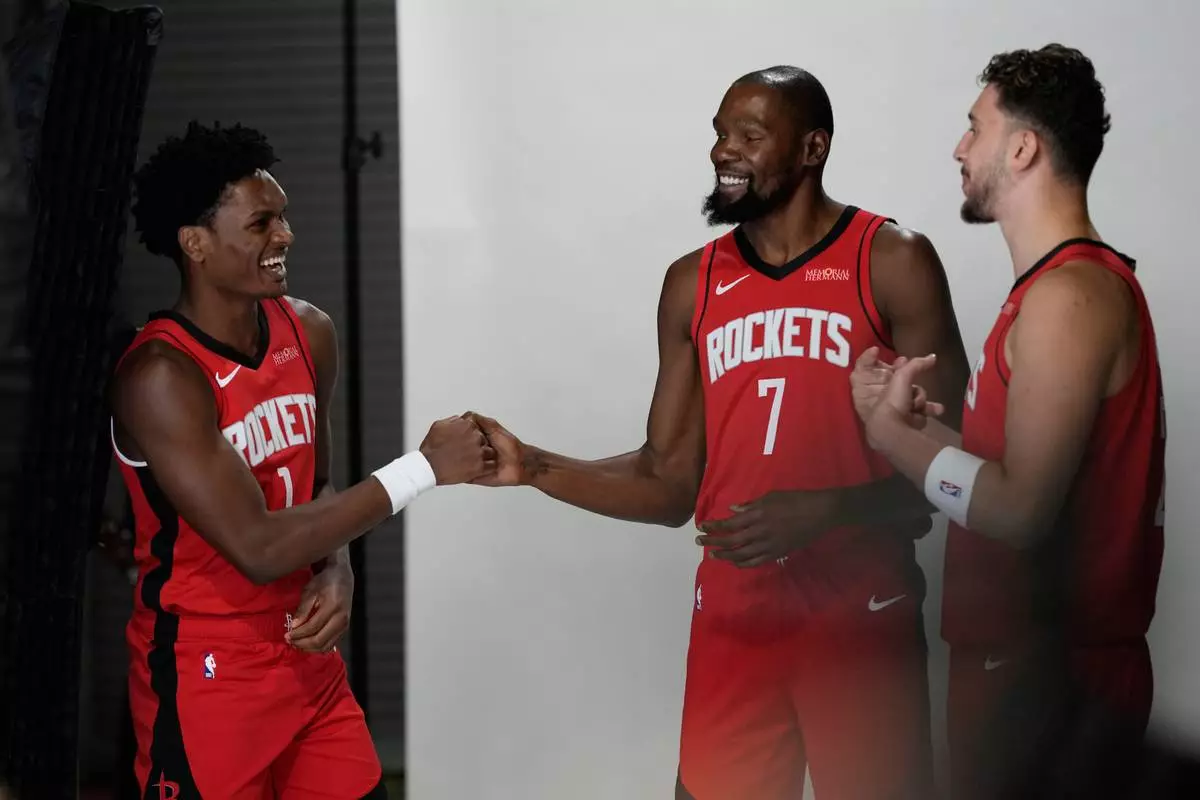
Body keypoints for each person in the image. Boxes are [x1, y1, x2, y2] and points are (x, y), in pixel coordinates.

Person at [468, 66, 971, 799]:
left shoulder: (892, 260)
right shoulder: (692, 283)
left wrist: (831, 509)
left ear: (813, 148)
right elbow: (668, 482)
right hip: (735, 626)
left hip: (860, 624)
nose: (723, 151)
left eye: (750, 136)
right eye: (719, 133)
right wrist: (534, 466)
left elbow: (958, 469)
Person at [110, 121, 494, 799]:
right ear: (195, 244)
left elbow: (318, 489)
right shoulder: (161, 377)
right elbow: (258, 547)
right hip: (206, 671)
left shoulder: (308, 331)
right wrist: (423, 468)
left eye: (282, 217)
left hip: (304, 658)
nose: (284, 236)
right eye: (260, 223)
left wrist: (337, 569)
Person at [854, 44, 1166, 799]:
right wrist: (911, 428)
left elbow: (1021, 511)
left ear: (1022, 149)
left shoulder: (1069, 297)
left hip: (1055, 679)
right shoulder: (1049, 292)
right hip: (1016, 668)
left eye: (975, 126)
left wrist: (890, 438)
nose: (959, 147)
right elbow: (1001, 476)